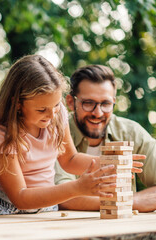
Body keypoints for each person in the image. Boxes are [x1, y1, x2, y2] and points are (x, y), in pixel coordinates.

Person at [0, 54, 118, 215]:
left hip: (49, 207)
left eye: (56, 105)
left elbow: (70, 160)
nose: (52, 115)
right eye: (41, 110)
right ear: (17, 104)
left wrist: (113, 162)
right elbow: (20, 197)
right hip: (10, 210)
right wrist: (77, 188)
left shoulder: (57, 116)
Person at [54, 64, 156, 212]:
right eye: (88, 103)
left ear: (113, 101)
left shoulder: (131, 132)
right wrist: (128, 202)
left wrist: (128, 201)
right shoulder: (56, 132)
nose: (98, 113)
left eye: (106, 103)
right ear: (71, 102)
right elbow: (62, 196)